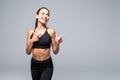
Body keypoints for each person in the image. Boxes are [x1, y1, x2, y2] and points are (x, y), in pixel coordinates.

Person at [26, 7, 63, 80]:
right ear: (37, 15)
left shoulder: (51, 31)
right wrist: (32, 41)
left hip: (47, 65)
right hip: (34, 65)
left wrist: (57, 43)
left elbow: (55, 51)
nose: (45, 16)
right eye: (43, 13)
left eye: (47, 14)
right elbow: (28, 52)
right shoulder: (30, 32)